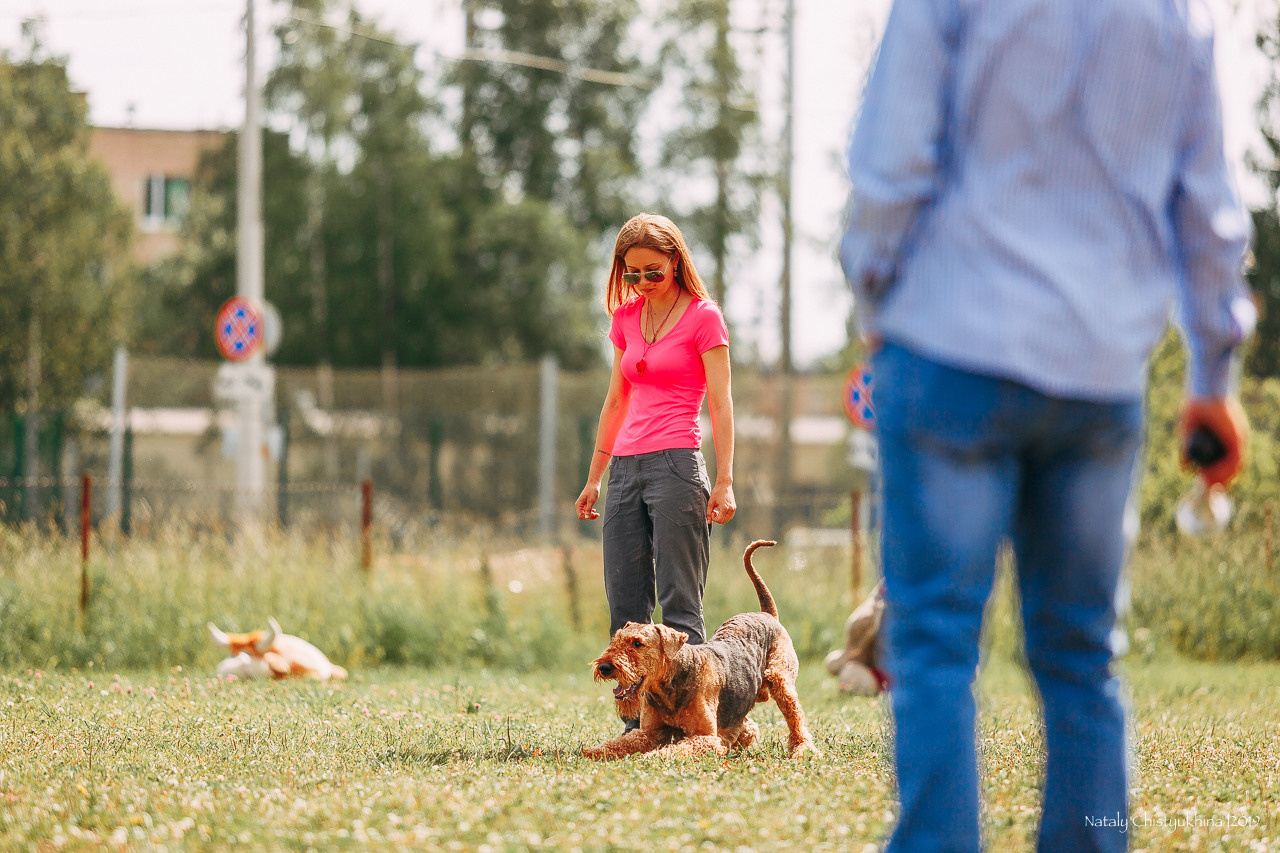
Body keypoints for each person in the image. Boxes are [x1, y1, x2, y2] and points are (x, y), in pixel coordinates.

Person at [840, 2, 1255, 852]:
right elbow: (1210, 211)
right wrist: (1213, 376)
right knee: (1079, 655)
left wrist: (875, 302)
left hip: (948, 343)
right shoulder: (1179, 17)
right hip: (1099, 373)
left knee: (934, 645)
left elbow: (891, 165)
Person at [575, 213, 737, 727]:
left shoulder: (703, 317)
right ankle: (637, 725)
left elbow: (722, 404)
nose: (642, 282)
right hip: (623, 468)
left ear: (675, 263)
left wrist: (726, 478)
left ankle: (696, 719)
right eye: (631, 273)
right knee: (625, 603)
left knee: (679, 605)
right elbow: (615, 402)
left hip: (677, 466)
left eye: (653, 271)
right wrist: (595, 476)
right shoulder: (625, 320)